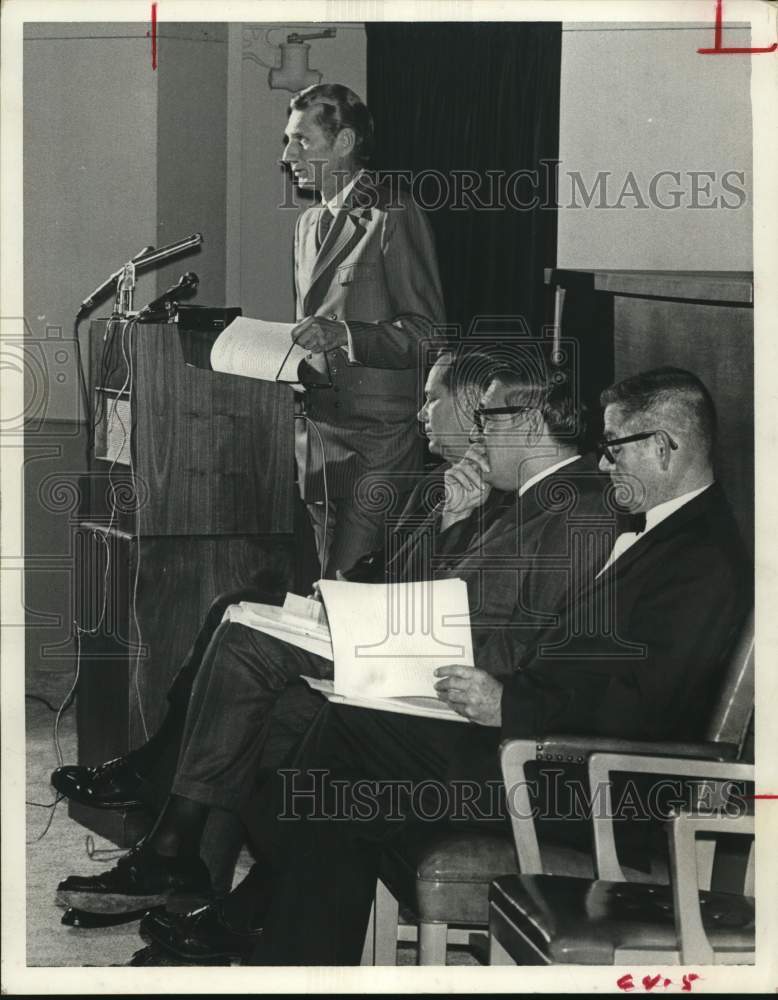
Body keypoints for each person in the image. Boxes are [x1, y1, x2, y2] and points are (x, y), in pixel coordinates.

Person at [183, 365, 750, 967]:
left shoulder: (702, 561)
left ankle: (273, 934)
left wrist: (508, 703)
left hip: (593, 786)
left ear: (665, 447)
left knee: (347, 741)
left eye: (614, 450)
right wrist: (502, 696)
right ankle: (285, 942)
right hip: (555, 754)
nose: (604, 465)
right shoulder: (670, 534)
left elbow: (645, 707)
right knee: (343, 764)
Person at [55, 350, 616, 936]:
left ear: (527, 422)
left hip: (444, 679)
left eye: (489, 418)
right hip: (420, 651)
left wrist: (396, 631)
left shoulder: (578, 507)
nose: (478, 432)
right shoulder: (524, 496)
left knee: (252, 647)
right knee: (255, 660)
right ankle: (196, 872)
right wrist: (449, 522)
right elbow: (431, 588)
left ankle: (179, 852)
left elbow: (524, 651)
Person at [282, 83, 446, 578]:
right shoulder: (308, 224)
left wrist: (344, 335)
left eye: (301, 141)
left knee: (350, 585)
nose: (287, 154)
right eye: (287, 141)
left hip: (378, 440)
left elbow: (427, 333)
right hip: (317, 436)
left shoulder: (393, 213)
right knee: (323, 591)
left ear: (345, 143)